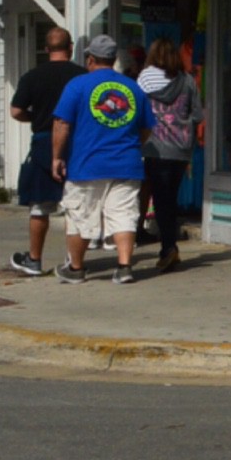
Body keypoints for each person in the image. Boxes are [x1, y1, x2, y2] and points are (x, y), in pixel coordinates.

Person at [51, 34, 152, 284]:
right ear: (114, 59)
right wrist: (133, 145)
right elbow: (147, 127)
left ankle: (76, 268)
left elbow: (62, 123)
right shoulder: (133, 87)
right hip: (127, 163)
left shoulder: (78, 85)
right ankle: (125, 266)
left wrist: (57, 157)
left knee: (80, 216)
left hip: (87, 163)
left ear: (91, 59)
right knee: (125, 214)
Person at [8, 28, 81, 277]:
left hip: (43, 141)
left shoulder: (32, 77)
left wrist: (36, 118)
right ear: (70, 47)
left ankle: (35, 259)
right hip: (76, 141)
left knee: (40, 205)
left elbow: (16, 111)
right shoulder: (80, 76)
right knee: (75, 205)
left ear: (46, 49)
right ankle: (74, 260)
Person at [138, 37, 198, 274]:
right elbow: (198, 115)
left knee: (161, 199)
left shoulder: (143, 79)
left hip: (155, 147)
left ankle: (168, 248)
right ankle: (169, 247)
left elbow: (137, 111)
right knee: (169, 197)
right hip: (182, 148)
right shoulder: (188, 81)